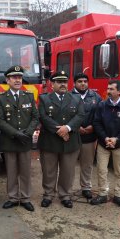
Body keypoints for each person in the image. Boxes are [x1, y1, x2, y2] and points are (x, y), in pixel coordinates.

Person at [38, 71, 84, 209]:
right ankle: (48, 195)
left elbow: (80, 115)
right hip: (50, 141)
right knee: (49, 170)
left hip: (70, 142)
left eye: (64, 81)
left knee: (67, 171)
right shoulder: (44, 99)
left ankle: (65, 195)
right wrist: (60, 130)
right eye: (59, 82)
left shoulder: (76, 98)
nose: (63, 84)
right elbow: (43, 116)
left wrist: (68, 128)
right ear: (52, 84)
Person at [0, 66, 39, 211]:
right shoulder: (1, 98)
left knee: (25, 171)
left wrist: (28, 132)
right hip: (10, 141)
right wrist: (15, 133)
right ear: (7, 80)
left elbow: (35, 117)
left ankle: (25, 198)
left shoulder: (29, 96)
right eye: (14, 77)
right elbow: (0, 120)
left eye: (19, 77)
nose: (17, 80)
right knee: (12, 172)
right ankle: (13, 198)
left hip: (25, 140)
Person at [91, 80, 120, 207]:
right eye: (108, 88)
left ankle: (118, 196)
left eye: (111, 89)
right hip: (103, 145)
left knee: (119, 172)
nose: (108, 91)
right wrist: (105, 138)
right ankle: (103, 194)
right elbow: (97, 123)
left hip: (119, 145)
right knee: (101, 170)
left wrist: (117, 139)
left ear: (119, 91)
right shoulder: (102, 105)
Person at [71, 73, 102, 199]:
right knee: (69, 164)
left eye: (85, 81)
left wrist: (93, 127)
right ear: (74, 83)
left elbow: (100, 115)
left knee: (87, 164)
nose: (83, 83)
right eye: (79, 81)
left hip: (89, 137)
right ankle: (66, 189)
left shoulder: (96, 97)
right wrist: (75, 127)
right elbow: (64, 115)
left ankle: (86, 188)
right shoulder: (68, 96)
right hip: (72, 137)